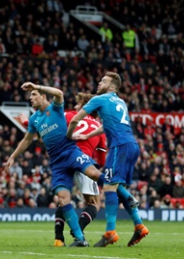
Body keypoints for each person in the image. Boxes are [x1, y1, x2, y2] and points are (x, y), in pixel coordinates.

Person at [6, 82, 105, 247]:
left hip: (71, 152)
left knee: (94, 176)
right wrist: (13, 156)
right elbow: (27, 140)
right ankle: (80, 239)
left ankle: (122, 192)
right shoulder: (34, 119)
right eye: (30, 95)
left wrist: (37, 86)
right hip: (57, 162)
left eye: (34, 95)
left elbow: (59, 93)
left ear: (43, 96)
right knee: (63, 199)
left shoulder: (58, 109)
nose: (30, 98)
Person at [66, 72, 149, 247]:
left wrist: (70, 135)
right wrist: (89, 134)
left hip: (119, 146)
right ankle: (139, 225)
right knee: (117, 186)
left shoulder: (100, 99)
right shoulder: (120, 102)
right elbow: (107, 125)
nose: (99, 82)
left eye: (103, 81)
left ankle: (110, 232)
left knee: (109, 187)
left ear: (112, 87)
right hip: (132, 145)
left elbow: (75, 118)